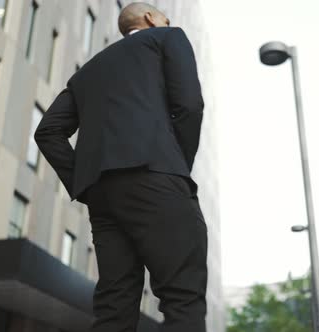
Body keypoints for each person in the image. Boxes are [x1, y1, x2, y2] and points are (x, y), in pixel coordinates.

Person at [34, 2, 207, 332]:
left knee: (114, 307)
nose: (167, 22)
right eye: (164, 18)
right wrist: (176, 166)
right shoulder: (167, 38)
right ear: (149, 18)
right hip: (158, 178)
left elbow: (47, 131)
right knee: (182, 295)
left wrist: (85, 184)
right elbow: (189, 104)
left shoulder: (86, 72)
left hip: (103, 199)